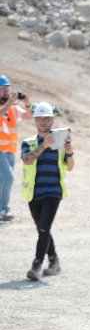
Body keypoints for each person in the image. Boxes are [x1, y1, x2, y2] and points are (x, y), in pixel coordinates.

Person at [19, 102, 74, 280]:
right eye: (40, 119)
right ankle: (54, 261)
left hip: (53, 192)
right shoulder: (28, 143)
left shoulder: (60, 142)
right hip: (34, 193)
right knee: (42, 229)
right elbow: (27, 160)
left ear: (52, 121)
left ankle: (36, 266)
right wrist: (43, 145)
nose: (43, 122)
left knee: (43, 229)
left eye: (47, 119)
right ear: (35, 121)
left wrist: (70, 152)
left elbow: (70, 167)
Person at [0, 74, 32, 221]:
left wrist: (27, 103)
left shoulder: (13, 108)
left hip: (10, 151)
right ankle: (4, 210)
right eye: (3, 90)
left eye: (8, 90)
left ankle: (2, 210)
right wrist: (9, 103)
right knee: (9, 178)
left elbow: (28, 116)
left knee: (3, 181)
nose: (6, 93)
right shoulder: (9, 106)